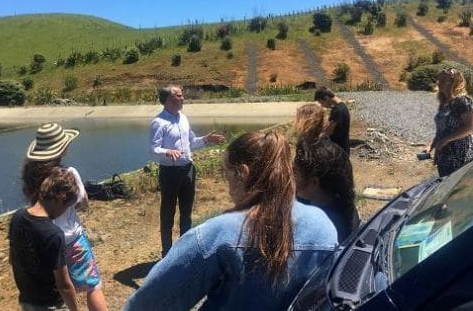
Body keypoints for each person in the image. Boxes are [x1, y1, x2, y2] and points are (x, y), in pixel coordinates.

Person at [125, 131, 338, 310]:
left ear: (242, 173)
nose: (227, 187)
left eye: (227, 175)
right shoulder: (324, 225)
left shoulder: (216, 235)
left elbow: (147, 304)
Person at [22, 123, 107, 311]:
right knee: (93, 285)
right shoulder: (68, 175)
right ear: (62, 148)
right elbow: (82, 201)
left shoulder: (31, 179)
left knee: (61, 289)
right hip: (73, 241)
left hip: (47, 243)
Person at [150, 85, 226, 257]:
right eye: (179, 95)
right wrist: (167, 151)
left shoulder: (183, 118)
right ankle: (167, 254)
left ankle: (185, 252)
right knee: (168, 212)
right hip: (169, 172)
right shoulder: (159, 122)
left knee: (187, 211)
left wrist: (206, 139)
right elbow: (153, 149)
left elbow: (192, 142)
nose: (183, 98)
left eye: (182, 95)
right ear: (169, 100)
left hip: (188, 170)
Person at [9, 167, 80, 311]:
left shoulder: (17, 217)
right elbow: (64, 285)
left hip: (27, 301)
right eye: (66, 207)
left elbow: (12, 257)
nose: (63, 213)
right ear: (60, 199)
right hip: (51, 304)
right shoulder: (53, 234)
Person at [294, 137, 360, 242]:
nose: (292, 177)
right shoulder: (343, 203)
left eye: (295, 172)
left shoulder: (327, 229)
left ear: (314, 183)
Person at [425, 68, 473, 177]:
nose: (440, 83)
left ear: (455, 83)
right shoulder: (444, 103)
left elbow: (470, 127)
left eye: (444, 81)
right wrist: (431, 146)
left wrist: (446, 140)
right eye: (439, 80)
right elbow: (441, 130)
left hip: (460, 155)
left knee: (456, 189)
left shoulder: (462, 101)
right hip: (445, 156)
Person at [314, 86, 351, 153]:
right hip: (344, 147)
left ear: (326, 98)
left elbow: (329, 131)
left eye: (321, 102)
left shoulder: (337, 110)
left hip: (338, 149)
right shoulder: (342, 106)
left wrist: (317, 141)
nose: (322, 105)